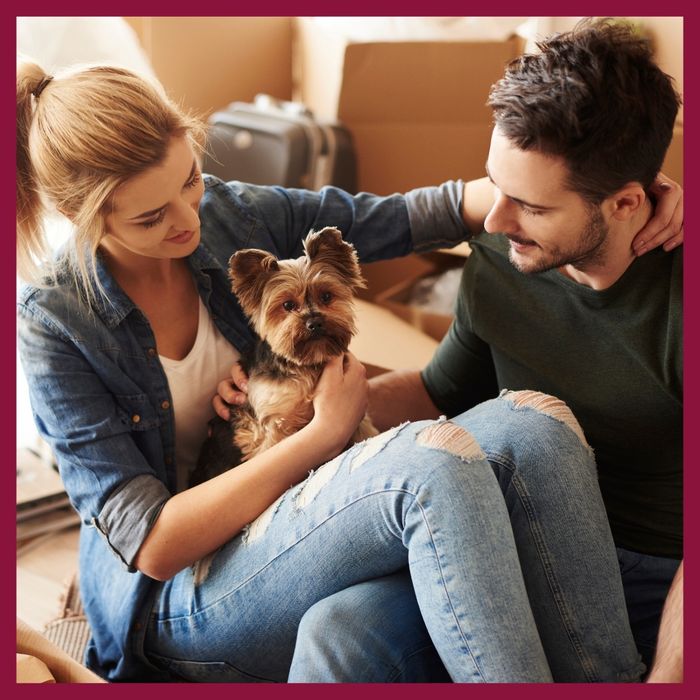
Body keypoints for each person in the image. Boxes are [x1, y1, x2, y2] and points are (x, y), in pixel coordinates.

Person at [16, 46, 681, 682]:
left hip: (302, 513)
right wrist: (321, 434)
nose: (189, 217)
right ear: (82, 216)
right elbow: (154, 544)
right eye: (152, 216)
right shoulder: (54, 323)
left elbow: (410, 216)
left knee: (533, 423)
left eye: (190, 178)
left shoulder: (223, 212)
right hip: (184, 594)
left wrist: (626, 186)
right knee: (432, 463)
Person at [280, 18, 684, 683]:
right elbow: (443, 390)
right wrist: (301, 409)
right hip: (507, 534)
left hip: (650, 577)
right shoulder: (502, 254)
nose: (493, 222)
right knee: (340, 631)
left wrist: (670, 679)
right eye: (495, 186)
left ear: (625, 203)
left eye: (530, 206)